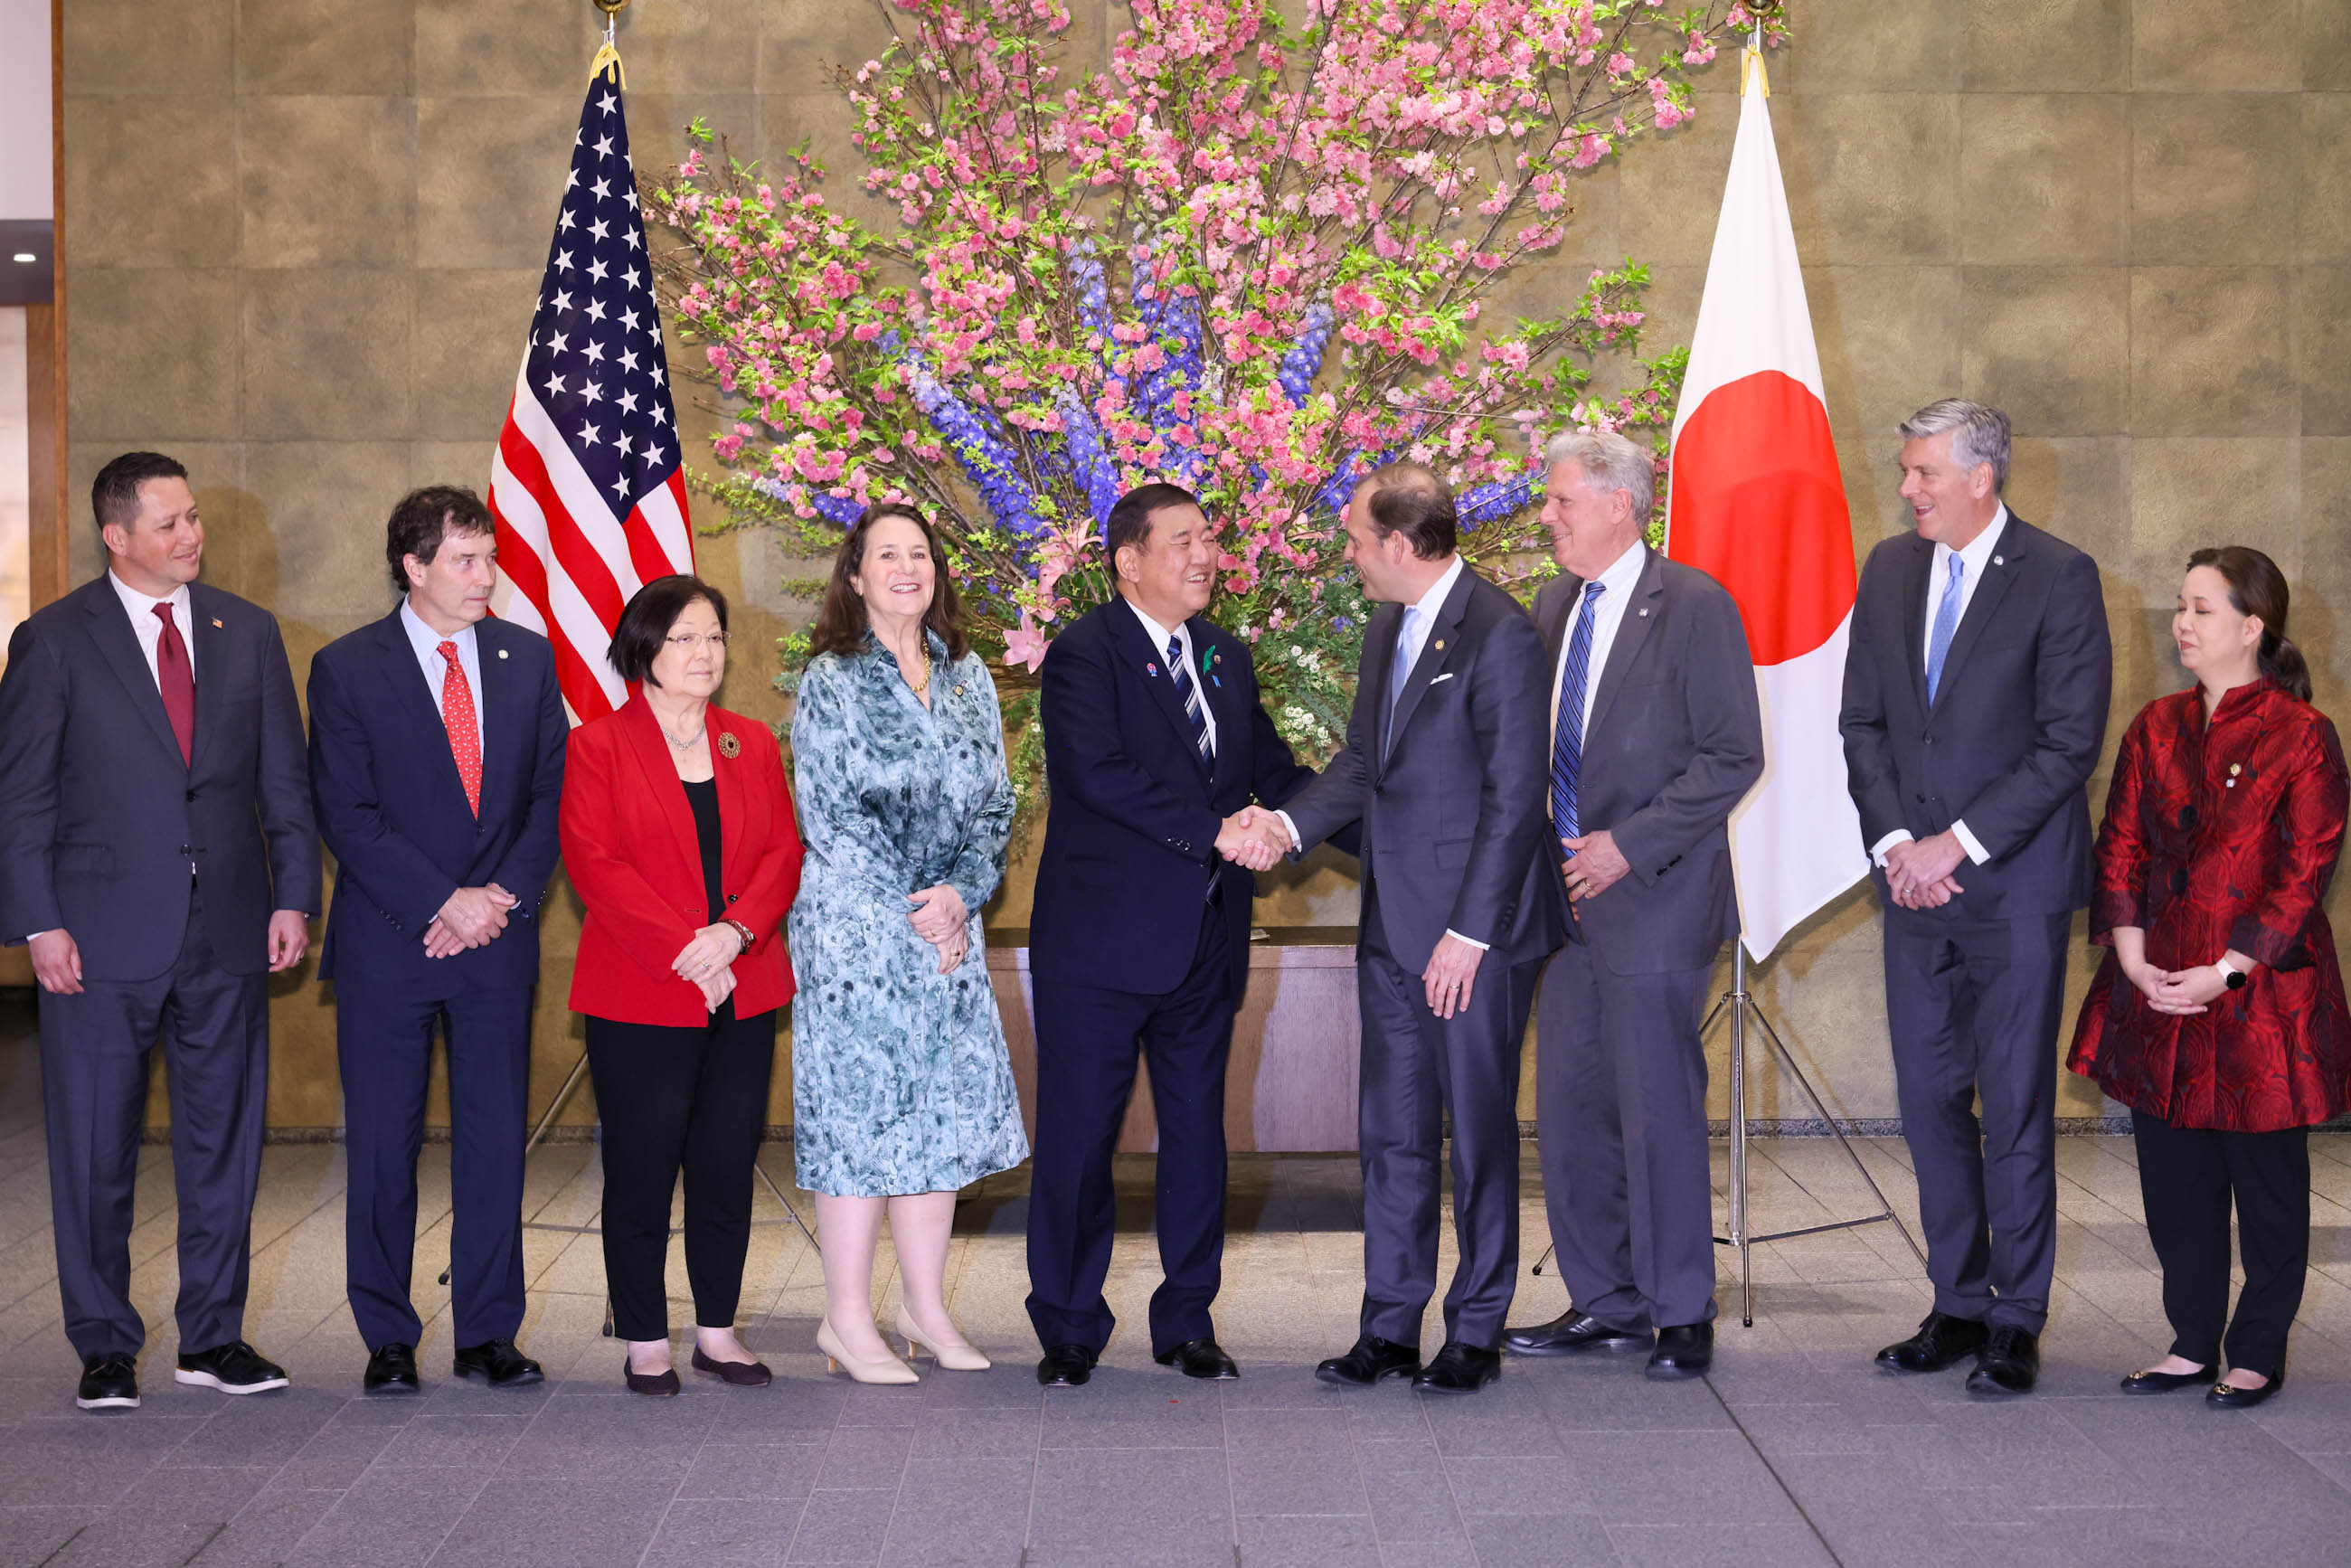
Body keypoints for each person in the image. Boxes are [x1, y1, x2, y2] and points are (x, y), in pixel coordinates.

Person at [0, 451, 319, 1412]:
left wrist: (291, 894)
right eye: (172, 523)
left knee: (222, 1144)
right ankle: (104, 1345)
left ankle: (212, 1338)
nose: (193, 537)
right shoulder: (53, 641)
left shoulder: (247, 631)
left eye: (194, 519)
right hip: (94, 941)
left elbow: (283, 782)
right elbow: (20, 801)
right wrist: (39, 924)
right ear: (117, 536)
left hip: (225, 930)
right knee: (95, 1149)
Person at [1838, 399, 2112, 1395]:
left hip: (2012, 889)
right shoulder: (1887, 569)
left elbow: (2065, 744)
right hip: (1911, 889)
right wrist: (1897, 844)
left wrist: (1957, 842)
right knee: (1924, 1103)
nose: (1906, 489)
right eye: (1906, 472)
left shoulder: (2058, 575)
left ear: (1979, 475)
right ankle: (1955, 1303)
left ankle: (2014, 1317)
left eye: (1922, 474)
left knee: (2014, 1105)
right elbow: (1860, 722)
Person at [1024, 481, 1316, 1388]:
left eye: (1208, 540)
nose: (1204, 556)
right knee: (1078, 1140)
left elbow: (1267, 767)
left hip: (1203, 943)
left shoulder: (1224, 657)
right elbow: (1098, 774)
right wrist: (1219, 831)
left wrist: (1313, 817)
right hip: (1101, 949)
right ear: (1128, 560)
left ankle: (1186, 1317)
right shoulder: (1083, 655)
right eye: (1183, 540)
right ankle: (1068, 1322)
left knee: (1198, 1136)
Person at [1276, 462, 1558, 1395]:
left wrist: (1468, 934)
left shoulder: (1501, 633)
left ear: (1398, 544)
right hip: (1392, 931)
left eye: (1355, 539)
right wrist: (1282, 827)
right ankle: (1388, 1325)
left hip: (1470, 944)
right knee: (1390, 1136)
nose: (1348, 555)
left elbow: (1516, 800)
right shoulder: (1387, 625)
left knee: (1475, 1137)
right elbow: (1361, 763)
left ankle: (1474, 1327)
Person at [1502, 430, 1763, 1380]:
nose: (1547, 517)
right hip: (1560, 906)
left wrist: (1628, 843)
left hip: (1651, 894)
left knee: (1656, 1107)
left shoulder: (1693, 605)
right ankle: (1606, 1299)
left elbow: (1731, 756)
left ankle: (1679, 1307)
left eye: (1562, 501)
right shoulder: (1550, 604)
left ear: (1619, 503)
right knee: (1568, 1110)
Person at [2068, 547, 2349, 1410]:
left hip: (2259, 995)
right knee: (2174, 1181)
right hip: (2157, 985)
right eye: (2181, 609)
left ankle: (2256, 1351)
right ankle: (2190, 1341)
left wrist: (2226, 969)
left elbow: (2307, 868)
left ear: (2252, 625)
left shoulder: (2303, 735)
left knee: (2265, 1184)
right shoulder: (2155, 726)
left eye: (2201, 609)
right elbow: (2120, 842)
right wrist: (2130, 954)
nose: (2183, 625)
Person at [306, 486, 567, 1394]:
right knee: (382, 1145)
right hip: (389, 943)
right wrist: (441, 903)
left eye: (488, 557)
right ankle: (386, 1335)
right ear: (411, 567)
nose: (485, 576)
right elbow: (347, 812)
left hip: (496, 940)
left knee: (494, 1141)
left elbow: (548, 800)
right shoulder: (346, 668)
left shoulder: (527, 662)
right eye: (465, 560)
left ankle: (489, 1331)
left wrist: (493, 898)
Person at [788, 504, 1030, 1384]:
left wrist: (960, 897)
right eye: (885, 554)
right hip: (859, 930)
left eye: (919, 553)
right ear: (853, 577)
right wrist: (912, 905)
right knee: (859, 1121)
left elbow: (994, 804)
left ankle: (924, 1310)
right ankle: (845, 1320)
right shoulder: (831, 679)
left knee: (940, 1118)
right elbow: (830, 813)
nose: (905, 567)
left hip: (947, 929)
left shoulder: (965, 676)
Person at [559, 576, 804, 1396]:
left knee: (727, 1163)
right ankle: (643, 1336)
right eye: (684, 639)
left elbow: (782, 854)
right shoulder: (598, 746)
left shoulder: (750, 743)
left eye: (714, 638)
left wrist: (733, 936)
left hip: (744, 982)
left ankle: (718, 1330)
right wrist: (689, 951)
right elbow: (597, 865)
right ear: (645, 650)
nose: (704, 654)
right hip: (641, 988)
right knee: (642, 1164)